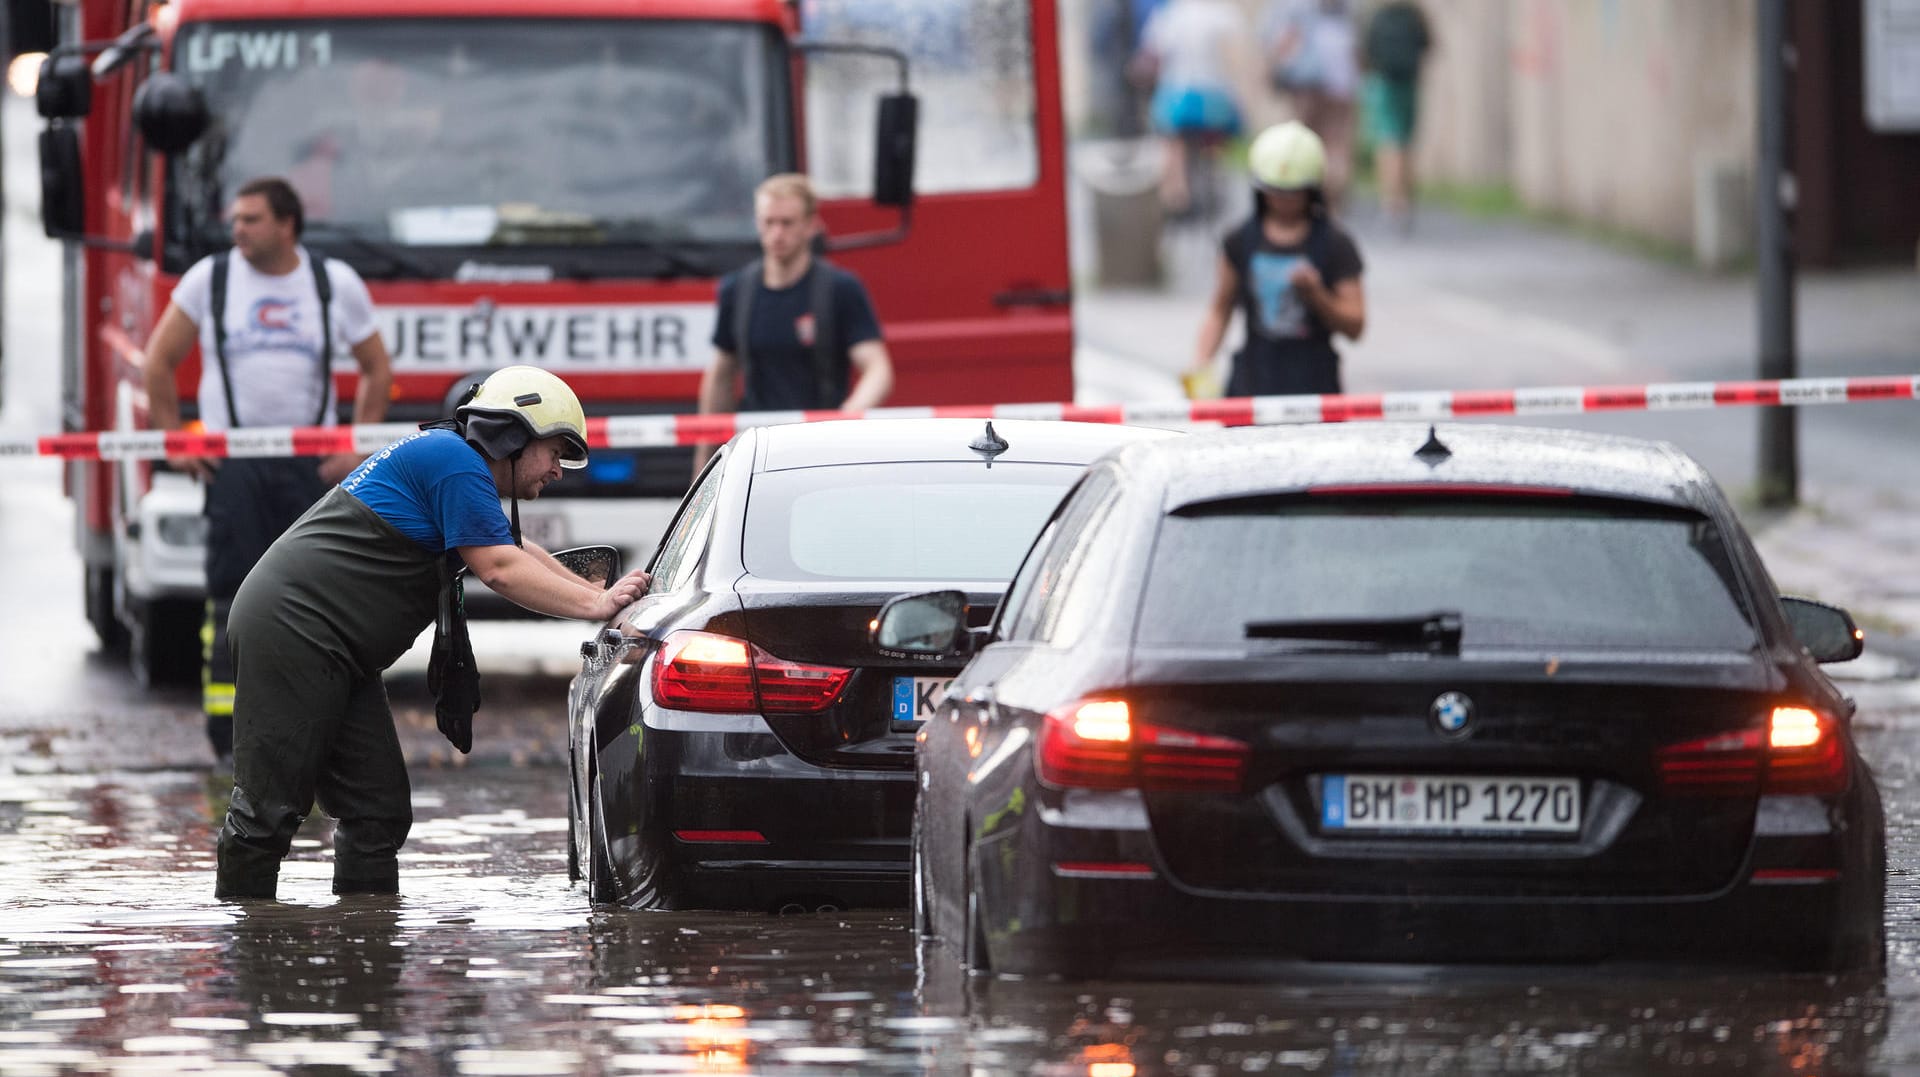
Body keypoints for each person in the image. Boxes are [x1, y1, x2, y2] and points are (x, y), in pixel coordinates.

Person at [213, 365, 653, 900]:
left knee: (377, 812)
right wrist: (595, 603)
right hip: (293, 630)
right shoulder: (453, 462)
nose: (558, 470)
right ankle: (241, 950)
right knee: (267, 812)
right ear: (511, 437)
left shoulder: (454, 461)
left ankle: (363, 956)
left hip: (334, 649)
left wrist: (602, 601)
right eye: (555, 452)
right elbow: (500, 568)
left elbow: (516, 550)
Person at [142, 176, 394, 769]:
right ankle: (230, 737)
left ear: (286, 224)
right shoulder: (213, 278)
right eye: (236, 220)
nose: (238, 230)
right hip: (234, 468)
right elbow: (159, 360)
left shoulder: (333, 284)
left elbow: (377, 371)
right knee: (231, 600)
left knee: (318, 601)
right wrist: (178, 441)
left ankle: (312, 731)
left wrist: (355, 448)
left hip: (309, 469)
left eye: (251, 219)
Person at [694, 174, 894, 474]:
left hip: (821, 444)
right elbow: (720, 376)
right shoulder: (737, 291)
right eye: (768, 222)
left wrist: (846, 419)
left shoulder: (840, 289)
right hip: (757, 448)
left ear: (811, 225)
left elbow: (877, 369)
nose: (777, 233)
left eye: (787, 223)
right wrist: (704, 464)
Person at [1183, 121, 1366, 397]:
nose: (1283, 201)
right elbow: (1220, 308)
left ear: (1311, 191)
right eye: (1275, 192)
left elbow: (1355, 325)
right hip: (1253, 383)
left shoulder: (1334, 244)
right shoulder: (1240, 240)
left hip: (1314, 387)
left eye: (1293, 194)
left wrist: (1318, 296)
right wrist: (1200, 365)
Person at [1133, 0, 1245, 219]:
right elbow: (1236, 58)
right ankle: (1215, 182)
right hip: (1214, 96)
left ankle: (1175, 196)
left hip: (1178, 95)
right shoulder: (1224, 13)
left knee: (1172, 143)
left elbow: (1154, 52)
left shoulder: (1171, 13)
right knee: (1217, 139)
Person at [1262, 0, 1360, 208]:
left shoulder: (1295, 6)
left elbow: (1283, 37)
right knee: (1337, 144)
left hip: (1307, 82)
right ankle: (1333, 200)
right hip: (1342, 82)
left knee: (1301, 139)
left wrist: (1273, 69)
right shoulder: (1347, 8)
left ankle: (1302, 196)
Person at [1361, 0, 1433, 232]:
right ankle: (1406, 200)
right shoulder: (1415, 14)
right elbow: (1428, 45)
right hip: (1409, 83)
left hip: (1384, 83)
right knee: (1406, 142)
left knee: (1387, 141)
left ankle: (1391, 203)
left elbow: (1366, 49)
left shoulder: (1378, 15)